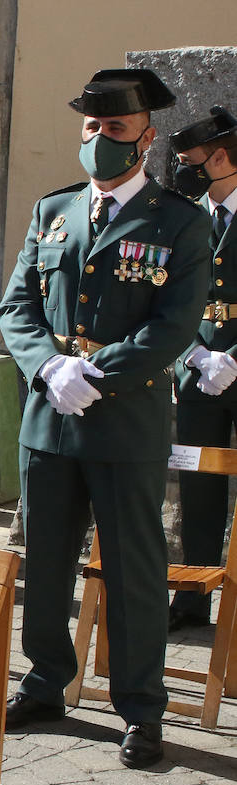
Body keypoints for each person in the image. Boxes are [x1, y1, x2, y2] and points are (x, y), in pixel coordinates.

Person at [0, 69, 209, 770]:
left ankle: (142, 710)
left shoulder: (179, 222)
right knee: (47, 565)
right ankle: (45, 683)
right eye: (90, 127)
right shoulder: (52, 211)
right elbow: (16, 307)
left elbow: (175, 325)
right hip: (50, 421)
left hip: (125, 425)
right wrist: (47, 367)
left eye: (114, 129)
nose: (98, 139)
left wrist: (96, 371)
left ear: (146, 139)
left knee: (133, 571)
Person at [168, 105, 237, 632]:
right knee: (198, 484)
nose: (184, 169)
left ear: (219, 158)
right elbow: (164, 294)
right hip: (197, 369)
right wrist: (193, 352)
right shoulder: (186, 215)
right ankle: (192, 597)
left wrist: (233, 358)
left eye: (191, 160)